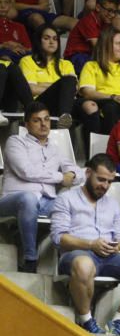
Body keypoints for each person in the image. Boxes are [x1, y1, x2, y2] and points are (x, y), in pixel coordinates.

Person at [52, 154, 120, 336]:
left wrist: (117, 246)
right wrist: (90, 244)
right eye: (100, 179)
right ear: (88, 173)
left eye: (109, 182)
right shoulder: (66, 198)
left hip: (108, 255)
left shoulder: (113, 204)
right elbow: (59, 238)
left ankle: (119, 320)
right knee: (84, 264)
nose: (104, 185)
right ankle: (86, 320)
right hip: (77, 254)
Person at [0, 101, 82, 273]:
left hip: (46, 201)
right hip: (14, 199)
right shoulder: (15, 142)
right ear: (27, 124)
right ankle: (30, 259)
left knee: (73, 204)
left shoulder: (55, 148)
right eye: (37, 120)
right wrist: (61, 177)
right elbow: (26, 171)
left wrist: (72, 175)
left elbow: (77, 171)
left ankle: (71, 261)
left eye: (46, 119)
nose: (44, 124)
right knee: (28, 198)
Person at [77, 27, 120, 135]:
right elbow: (87, 92)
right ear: (106, 45)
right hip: (106, 105)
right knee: (112, 106)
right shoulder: (92, 66)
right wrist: (113, 97)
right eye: (118, 43)